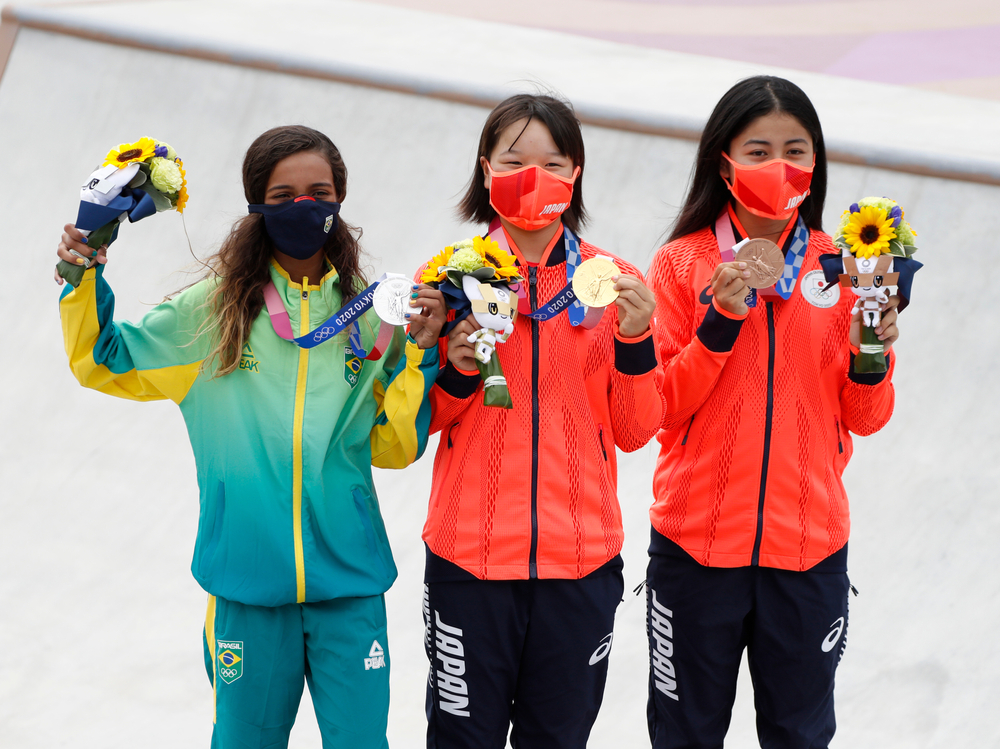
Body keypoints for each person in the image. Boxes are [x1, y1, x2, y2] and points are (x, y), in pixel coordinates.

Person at [54, 125, 446, 749]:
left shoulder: (373, 317)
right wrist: (83, 272)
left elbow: (393, 449)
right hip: (246, 588)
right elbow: (103, 359)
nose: (304, 207)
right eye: (284, 194)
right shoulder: (210, 313)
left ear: (340, 200)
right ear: (257, 204)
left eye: (319, 193)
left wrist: (423, 359)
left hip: (349, 585)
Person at [644, 76, 901, 748]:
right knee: (684, 734)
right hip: (696, 550)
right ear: (722, 162)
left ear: (816, 164)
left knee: (799, 735)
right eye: (758, 150)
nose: (779, 166)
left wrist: (871, 352)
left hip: (807, 549)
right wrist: (720, 324)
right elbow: (662, 407)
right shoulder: (679, 265)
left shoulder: (846, 269)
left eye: (796, 149)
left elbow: (866, 416)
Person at [421, 93, 663, 749]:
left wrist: (637, 338)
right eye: (514, 159)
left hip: (578, 567)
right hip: (469, 563)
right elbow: (416, 425)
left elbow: (638, 429)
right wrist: (460, 364)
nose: (533, 177)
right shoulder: (445, 279)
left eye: (552, 162)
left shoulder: (614, 281)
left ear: (576, 172)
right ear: (486, 167)